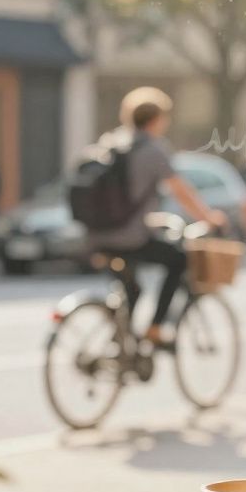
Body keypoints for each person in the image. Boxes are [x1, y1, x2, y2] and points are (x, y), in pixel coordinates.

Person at [86, 89, 226, 345]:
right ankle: (155, 328)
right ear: (157, 119)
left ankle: (123, 344)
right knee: (178, 261)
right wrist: (207, 217)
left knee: (133, 289)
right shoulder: (152, 149)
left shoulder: (113, 142)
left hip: (96, 235)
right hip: (129, 237)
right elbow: (180, 190)